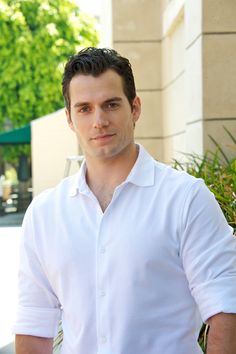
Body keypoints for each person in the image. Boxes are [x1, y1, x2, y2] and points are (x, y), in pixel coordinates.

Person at [13, 47, 236, 354]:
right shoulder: (44, 214)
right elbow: (34, 325)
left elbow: (227, 309)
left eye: (111, 104)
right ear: (69, 118)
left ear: (135, 108)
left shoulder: (186, 199)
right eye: (84, 108)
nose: (99, 120)